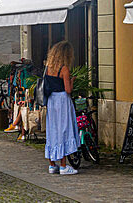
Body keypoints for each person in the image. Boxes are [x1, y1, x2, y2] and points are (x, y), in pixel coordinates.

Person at [43, 41, 79, 175]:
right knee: (64, 130)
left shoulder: (48, 67)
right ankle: (63, 166)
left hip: (52, 100)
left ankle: (52, 164)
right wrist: (72, 80)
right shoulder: (64, 69)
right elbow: (68, 89)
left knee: (53, 130)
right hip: (62, 101)